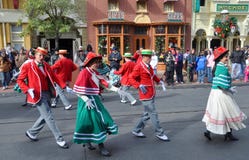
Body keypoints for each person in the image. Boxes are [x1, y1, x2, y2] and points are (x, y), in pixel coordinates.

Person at [17, 47, 69, 149]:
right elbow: (20, 80)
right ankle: (60, 139)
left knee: (46, 115)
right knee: (49, 116)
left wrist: (64, 86)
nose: (41, 58)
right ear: (35, 55)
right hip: (37, 94)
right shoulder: (28, 65)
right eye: (40, 55)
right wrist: (27, 90)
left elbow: (54, 77)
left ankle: (32, 132)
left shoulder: (45, 65)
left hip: (47, 93)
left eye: (43, 56)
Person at [73, 52, 121, 157]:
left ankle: (90, 141)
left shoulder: (94, 72)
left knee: (99, 120)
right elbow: (77, 90)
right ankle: (101, 145)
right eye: (95, 62)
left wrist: (118, 90)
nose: (97, 64)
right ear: (90, 63)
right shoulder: (84, 72)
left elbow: (104, 83)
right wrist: (86, 99)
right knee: (93, 122)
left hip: (95, 100)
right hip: (87, 102)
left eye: (98, 62)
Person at [202, 46, 247, 141]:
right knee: (227, 112)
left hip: (215, 93)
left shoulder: (219, 66)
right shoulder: (221, 68)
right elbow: (221, 85)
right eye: (225, 56)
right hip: (221, 93)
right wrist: (229, 89)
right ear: (220, 58)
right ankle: (227, 134)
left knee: (217, 113)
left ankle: (213, 132)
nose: (227, 58)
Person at [129, 49, 169, 141]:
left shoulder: (149, 66)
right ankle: (159, 132)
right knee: (153, 113)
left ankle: (137, 130)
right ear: (143, 57)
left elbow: (152, 76)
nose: (150, 59)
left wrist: (160, 81)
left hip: (151, 92)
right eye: (148, 57)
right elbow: (131, 78)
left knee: (147, 114)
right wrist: (138, 85)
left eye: (150, 57)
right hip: (145, 94)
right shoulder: (139, 66)